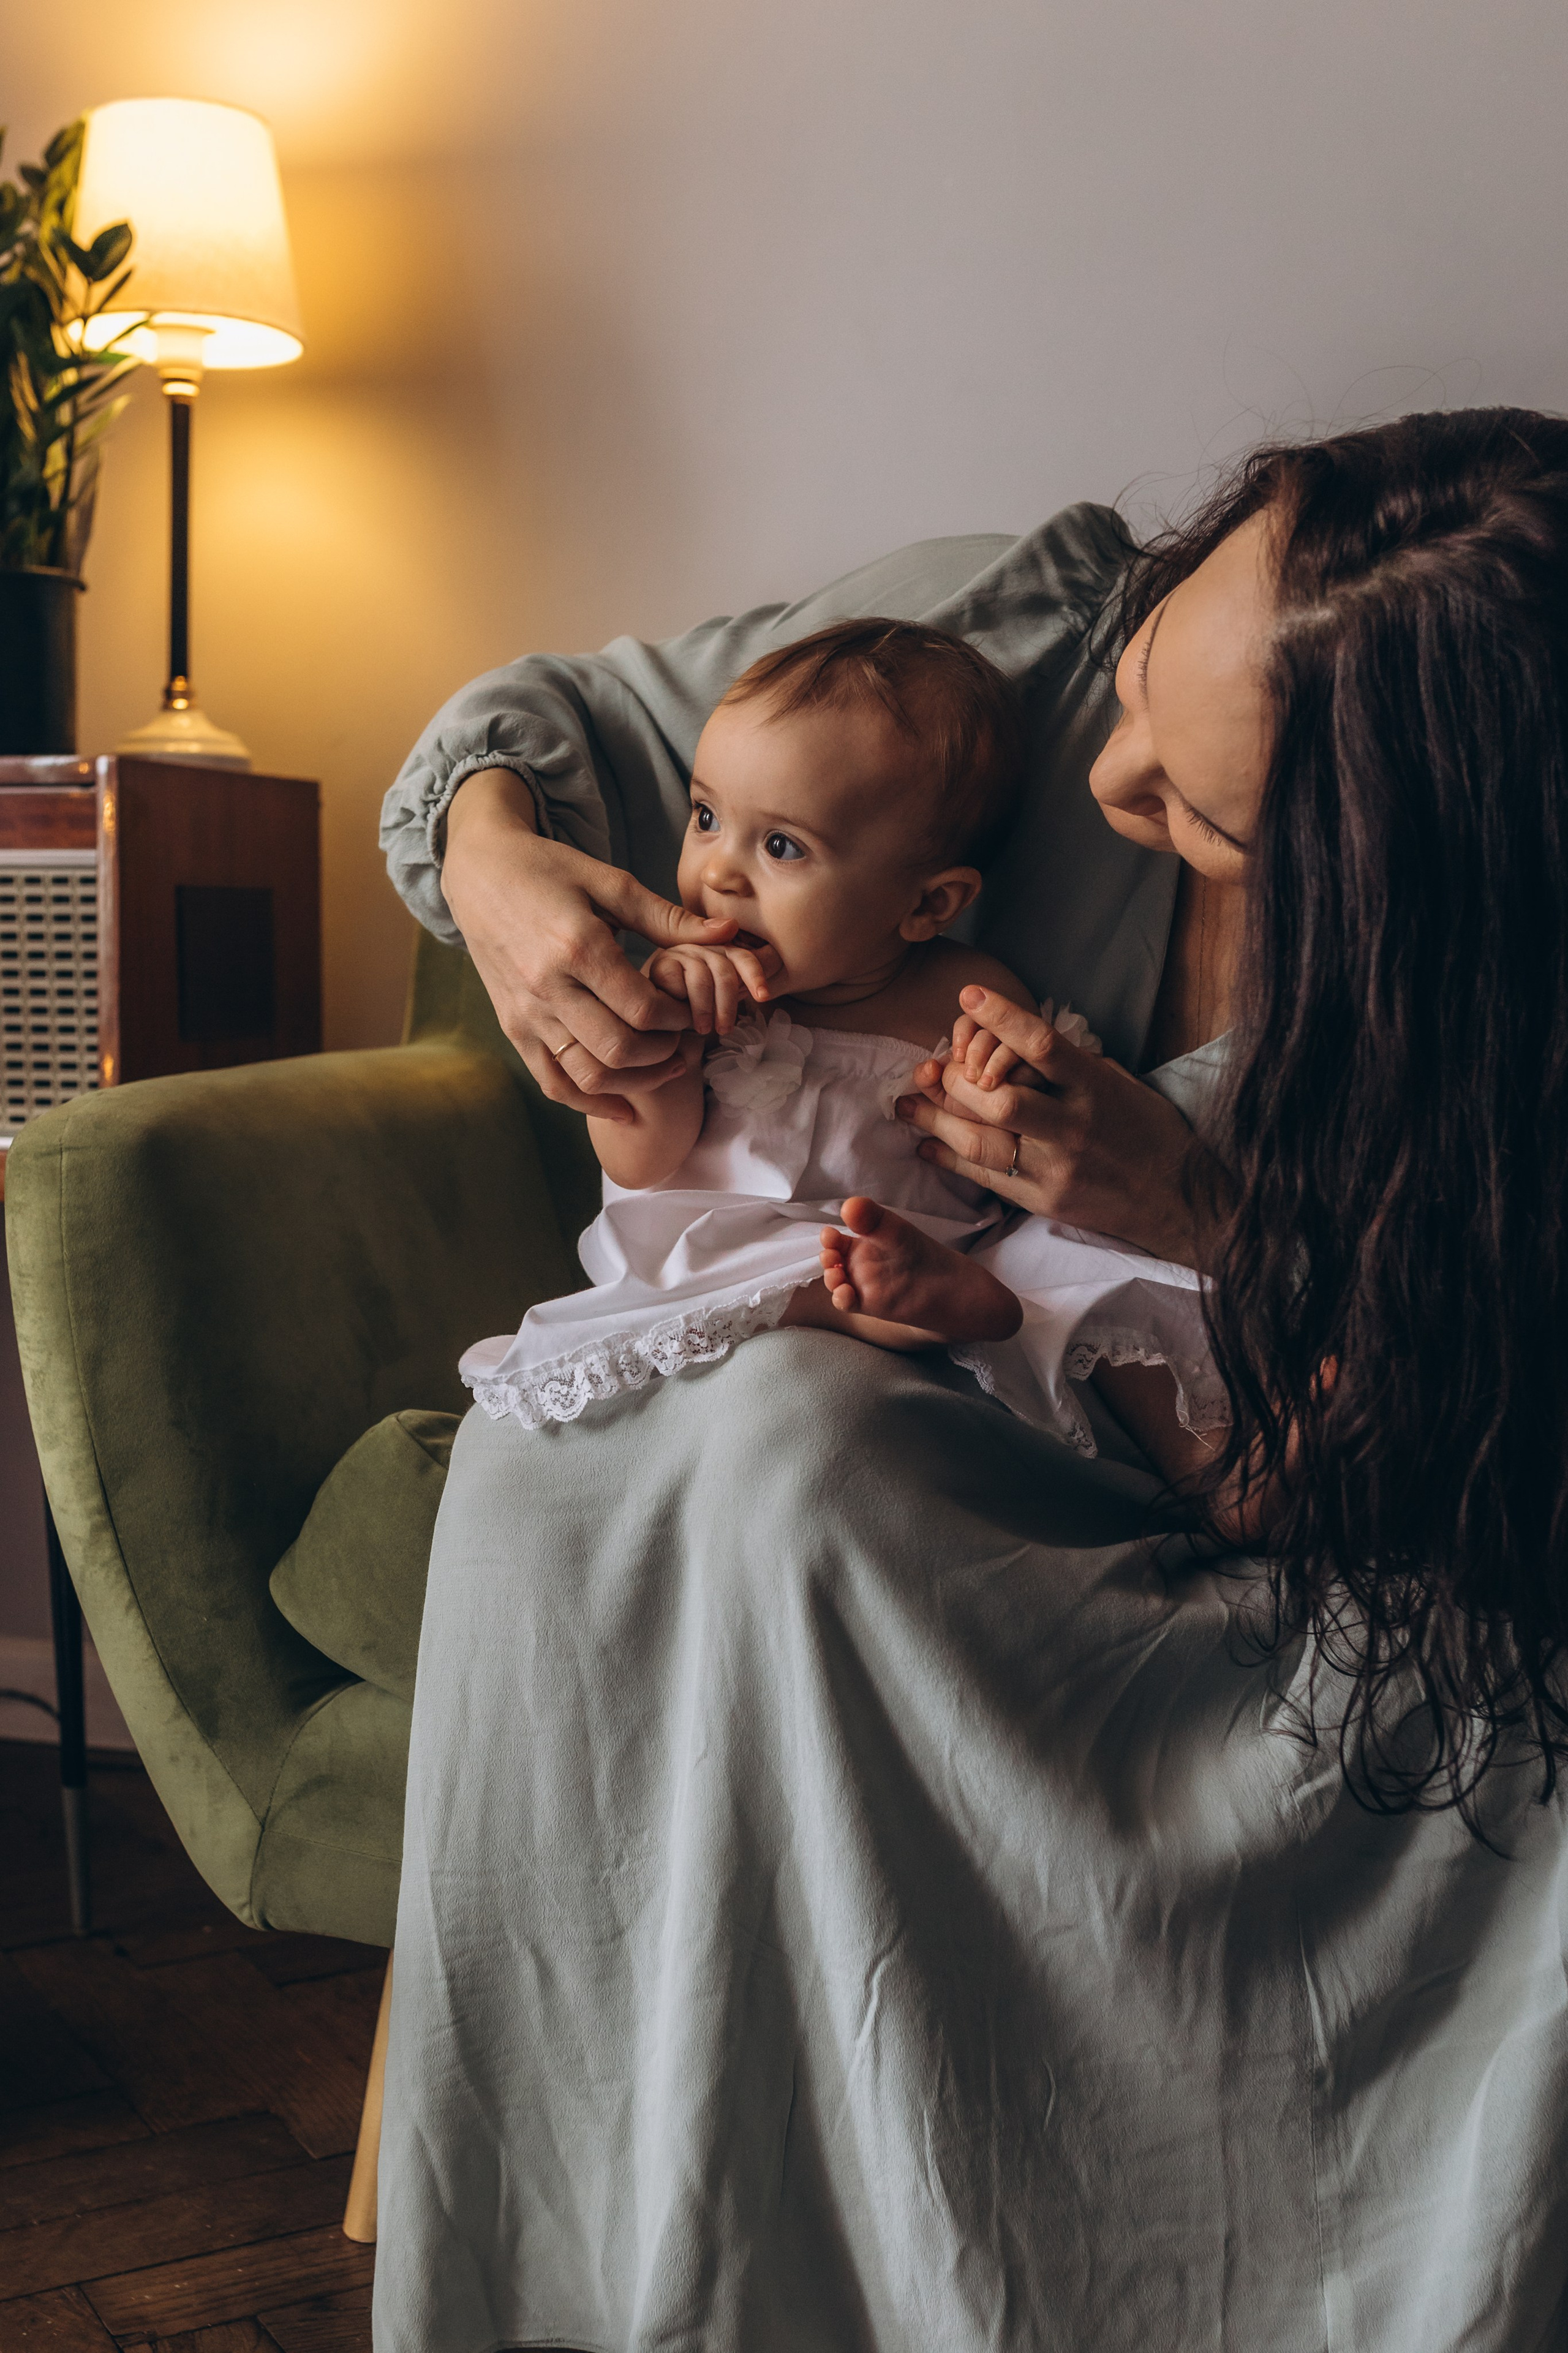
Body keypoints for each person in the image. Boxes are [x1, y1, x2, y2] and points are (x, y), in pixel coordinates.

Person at [372, 412, 1568, 2353]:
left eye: (1198, 814)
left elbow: (1411, 1436)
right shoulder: (1012, 640)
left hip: (1149, 1464)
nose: (1100, 782)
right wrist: (509, 888)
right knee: (643, 1473)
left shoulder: (1478, 1013)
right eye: (1145, 688)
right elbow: (536, 719)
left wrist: (1195, 1207)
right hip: (841, 1408)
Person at [461, 616, 1219, 1453]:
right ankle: (895, 1315)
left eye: (781, 845)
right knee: (782, 1272)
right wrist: (658, 1053)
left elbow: (1032, 1131)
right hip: (731, 1259)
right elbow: (639, 1162)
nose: (716, 870)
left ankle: (1199, 1445)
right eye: (706, 816)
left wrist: (997, 1075)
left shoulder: (966, 993)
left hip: (932, 1252)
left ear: (928, 904)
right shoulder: (689, 992)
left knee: (1078, 1266)